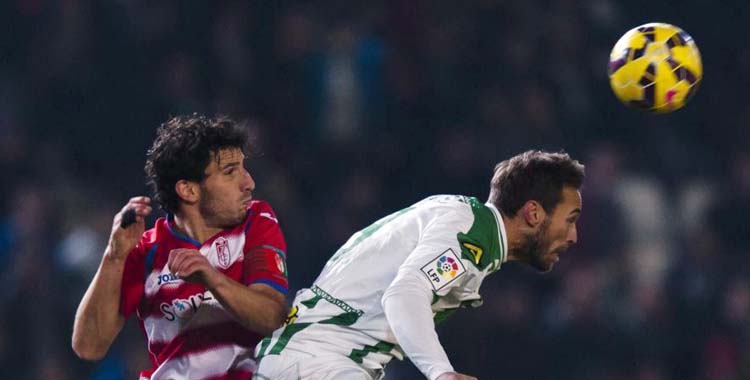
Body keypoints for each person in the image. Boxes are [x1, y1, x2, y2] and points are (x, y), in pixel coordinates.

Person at [254, 150, 585, 380]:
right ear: (534, 212)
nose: (573, 236)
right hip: (318, 363)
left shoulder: (461, 220)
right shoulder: (472, 234)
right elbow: (403, 295)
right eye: (570, 220)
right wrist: (441, 372)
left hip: (308, 358)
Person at [72, 114, 289, 380]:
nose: (249, 183)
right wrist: (114, 257)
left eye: (244, 168)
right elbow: (88, 346)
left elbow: (273, 317)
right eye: (231, 172)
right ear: (189, 190)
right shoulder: (146, 251)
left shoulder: (256, 221)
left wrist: (212, 280)